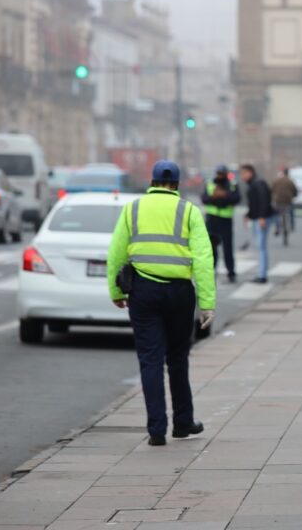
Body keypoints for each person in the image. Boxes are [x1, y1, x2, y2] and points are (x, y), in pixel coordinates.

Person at [107, 160, 215, 446]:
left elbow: (116, 253)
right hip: (179, 292)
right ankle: (183, 422)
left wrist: (116, 291)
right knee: (178, 358)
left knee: (150, 360)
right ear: (177, 184)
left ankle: (156, 429)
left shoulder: (133, 209)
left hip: (143, 291)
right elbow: (203, 259)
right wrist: (207, 304)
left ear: (152, 182)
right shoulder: (189, 211)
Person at [201, 164, 241, 283]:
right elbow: (204, 199)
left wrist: (225, 195)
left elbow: (237, 198)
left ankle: (231, 273)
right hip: (212, 219)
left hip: (225, 220)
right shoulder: (210, 183)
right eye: (218, 173)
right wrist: (213, 196)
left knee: (228, 248)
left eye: (221, 173)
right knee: (211, 248)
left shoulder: (232, 185)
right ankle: (212, 270)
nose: (219, 175)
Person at [240, 164, 275, 283]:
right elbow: (254, 203)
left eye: (243, 173)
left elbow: (264, 199)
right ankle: (261, 273)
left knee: (261, 246)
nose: (242, 176)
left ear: (250, 172)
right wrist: (248, 215)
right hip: (257, 217)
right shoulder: (254, 183)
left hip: (261, 218)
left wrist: (262, 216)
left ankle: (262, 275)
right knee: (260, 246)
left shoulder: (258, 183)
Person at [272, 167, 298, 236]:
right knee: (291, 213)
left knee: (276, 214)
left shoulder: (277, 181)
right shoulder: (290, 181)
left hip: (278, 201)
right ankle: (292, 226)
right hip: (288, 201)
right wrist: (294, 195)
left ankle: (277, 227)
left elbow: (272, 190)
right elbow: (295, 191)